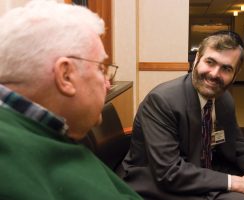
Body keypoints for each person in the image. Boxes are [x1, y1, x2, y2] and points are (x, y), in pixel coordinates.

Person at [118, 31, 244, 200]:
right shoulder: (162, 101)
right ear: (197, 59)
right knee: (243, 198)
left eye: (226, 68)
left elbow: (237, 143)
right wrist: (237, 183)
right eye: (210, 62)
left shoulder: (223, 98)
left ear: (235, 75)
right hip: (158, 179)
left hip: (202, 165)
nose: (214, 74)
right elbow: (168, 172)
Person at [0, 1, 142, 199]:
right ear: (66, 76)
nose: (107, 83)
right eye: (101, 68)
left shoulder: (49, 129)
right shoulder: (9, 161)